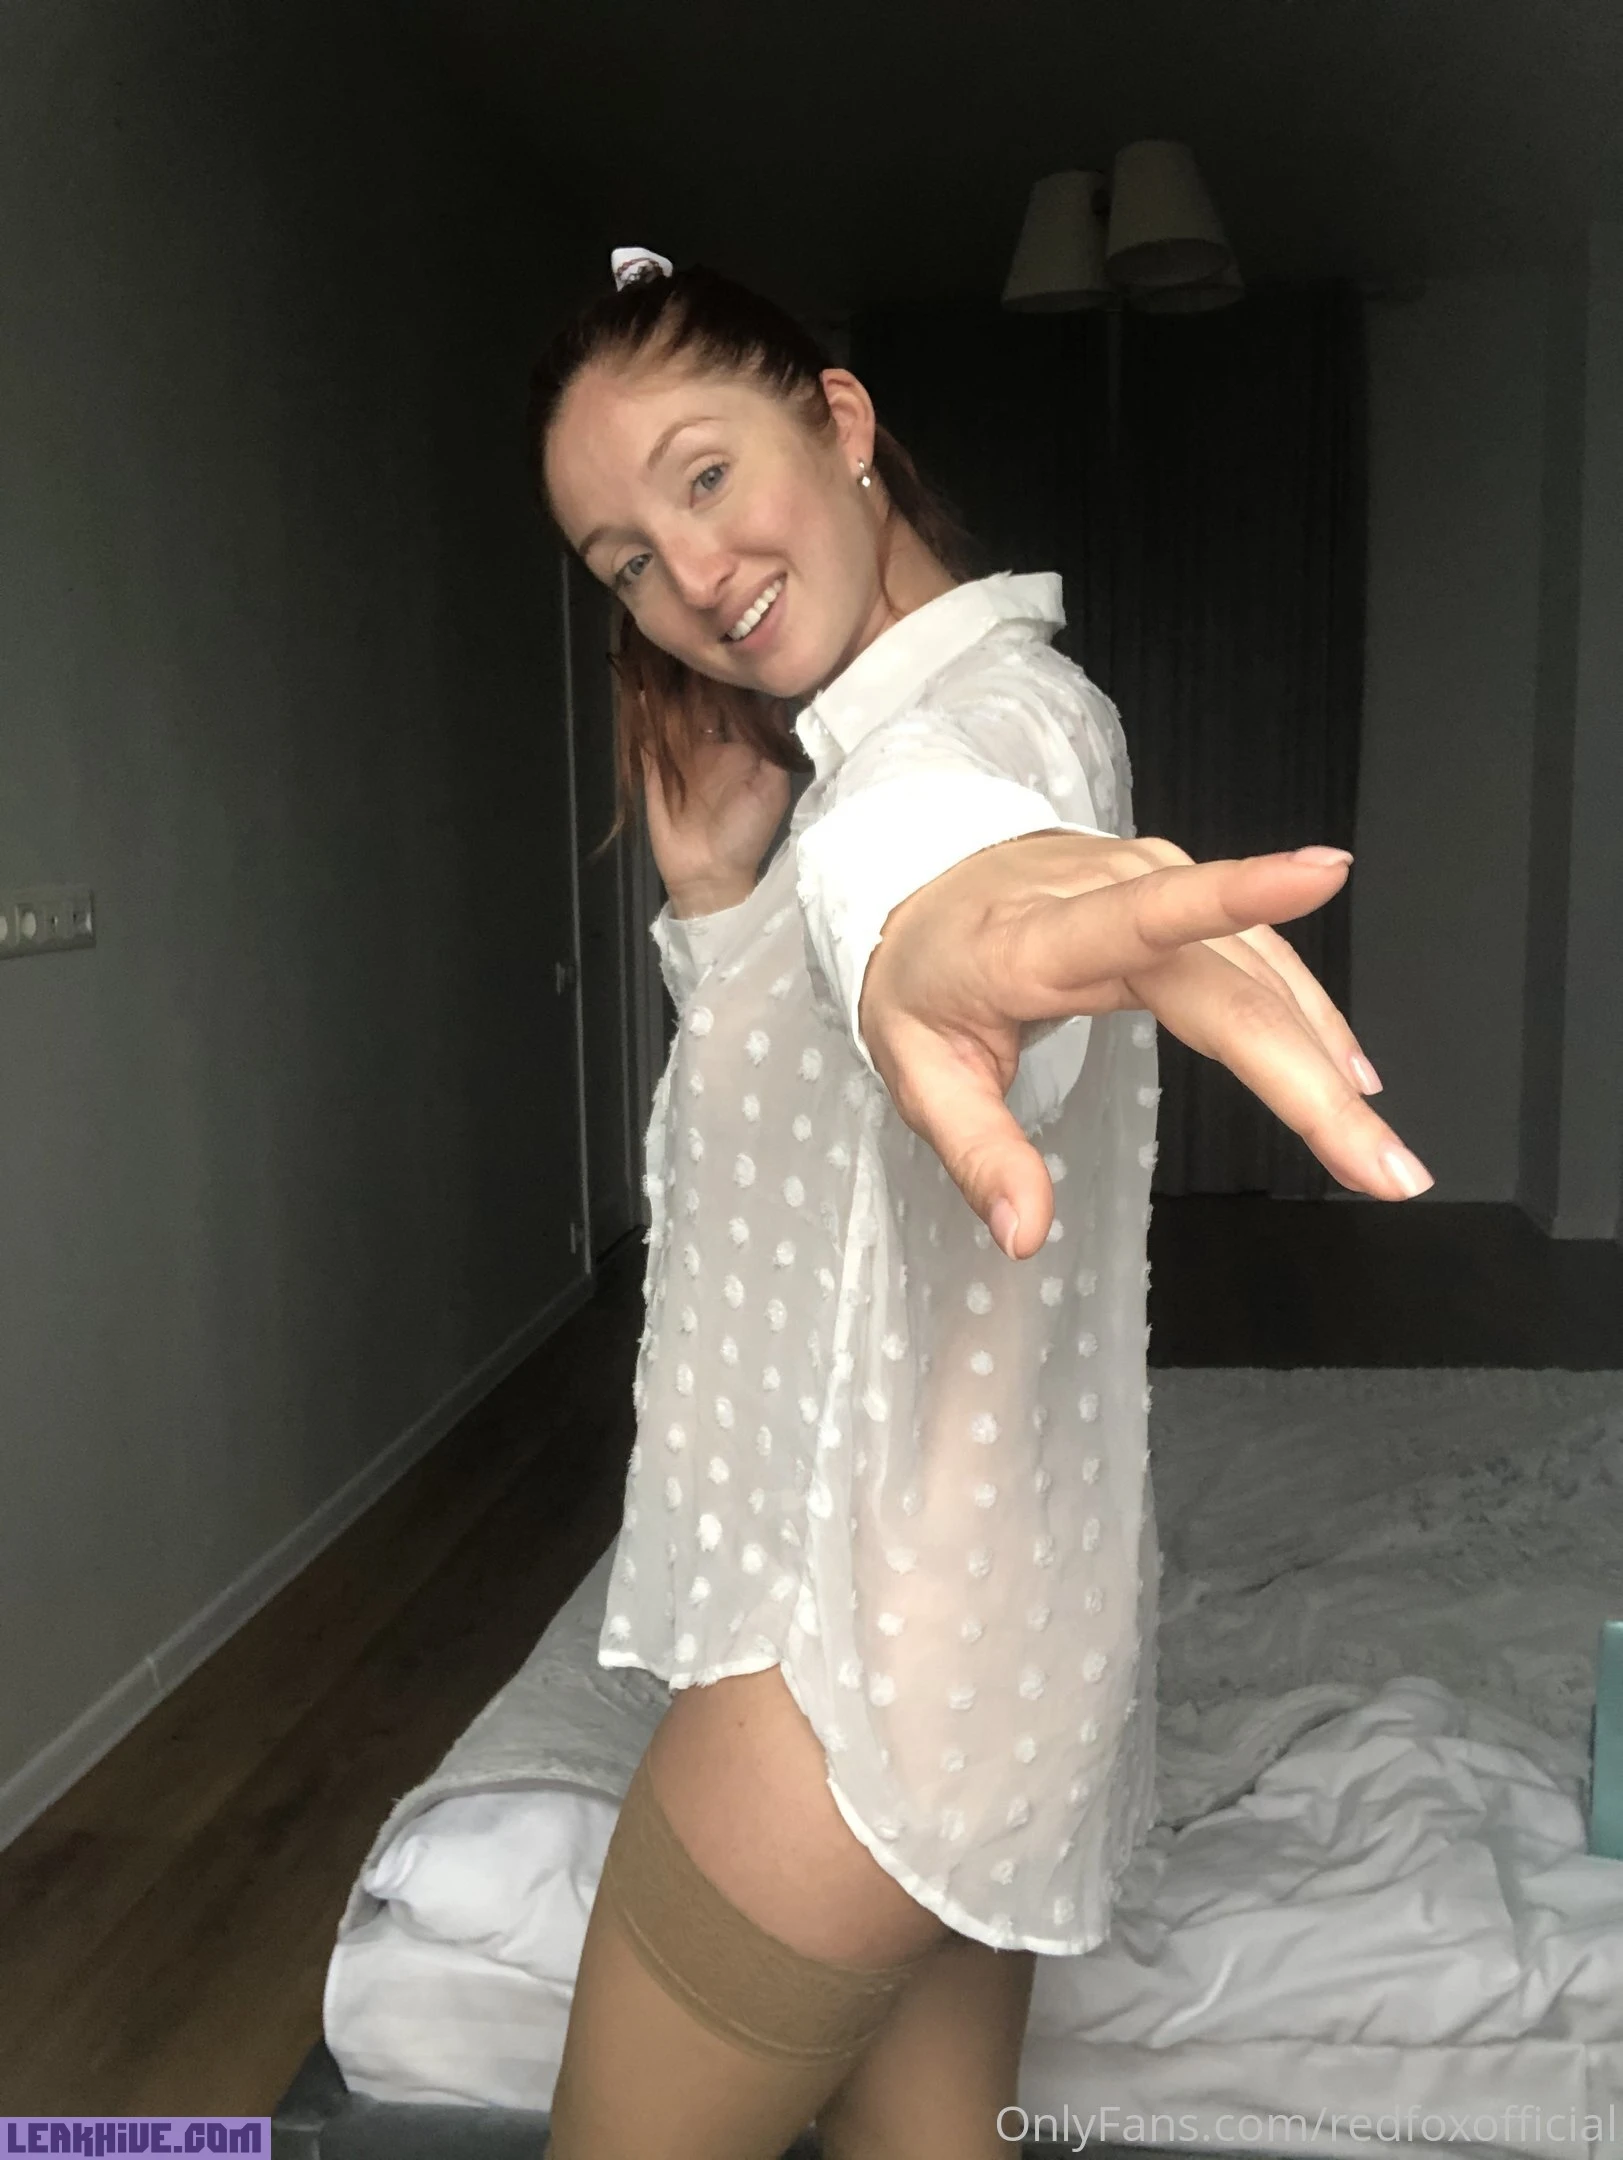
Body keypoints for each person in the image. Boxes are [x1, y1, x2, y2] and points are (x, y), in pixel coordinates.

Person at [528, 251, 1433, 2160]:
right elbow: (797, 1159)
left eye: (706, 476)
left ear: (841, 422)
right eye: (622, 559)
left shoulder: (975, 737)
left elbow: (942, 862)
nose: (686, 576)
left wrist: (933, 932)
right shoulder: (897, 745)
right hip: (992, 1670)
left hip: (846, 1694)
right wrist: (715, 912)